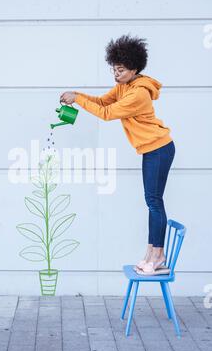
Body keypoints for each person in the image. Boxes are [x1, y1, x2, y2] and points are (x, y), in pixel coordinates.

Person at [60, 34, 175, 275]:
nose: (116, 74)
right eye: (114, 69)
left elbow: (107, 114)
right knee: (152, 201)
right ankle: (150, 253)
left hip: (159, 148)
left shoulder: (138, 94)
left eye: (120, 70)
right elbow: (102, 102)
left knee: (154, 202)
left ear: (134, 68)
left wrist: (78, 98)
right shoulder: (126, 86)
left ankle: (158, 255)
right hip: (151, 149)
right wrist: (77, 94)